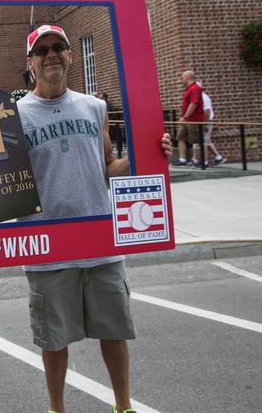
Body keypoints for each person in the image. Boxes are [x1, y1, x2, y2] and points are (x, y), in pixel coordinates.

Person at [17, 25, 172, 413]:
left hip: (102, 238)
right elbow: (6, 183)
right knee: (53, 339)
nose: (51, 55)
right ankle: (57, 408)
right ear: (31, 63)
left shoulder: (94, 107)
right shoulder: (14, 116)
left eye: (59, 48)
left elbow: (107, 168)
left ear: (70, 56)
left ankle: (123, 406)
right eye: (43, 50)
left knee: (114, 333)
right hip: (48, 245)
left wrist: (146, 154)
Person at [174, 70, 205, 167]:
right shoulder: (189, 89)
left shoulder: (195, 88)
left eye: (182, 77)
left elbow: (193, 103)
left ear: (187, 77)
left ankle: (196, 160)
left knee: (195, 139)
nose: (181, 80)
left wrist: (185, 117)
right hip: (187, 119)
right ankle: (182, 159)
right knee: (180, 137)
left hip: (194, 119)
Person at [199, 84, 226, 167]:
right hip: (205, 121)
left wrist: (205, 124)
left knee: (204, 141)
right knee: (207, 141)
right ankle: (218, 157)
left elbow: (207, 111)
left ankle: (205, 162)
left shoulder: (203, 97)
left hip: (207, 121)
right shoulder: (201, 97)